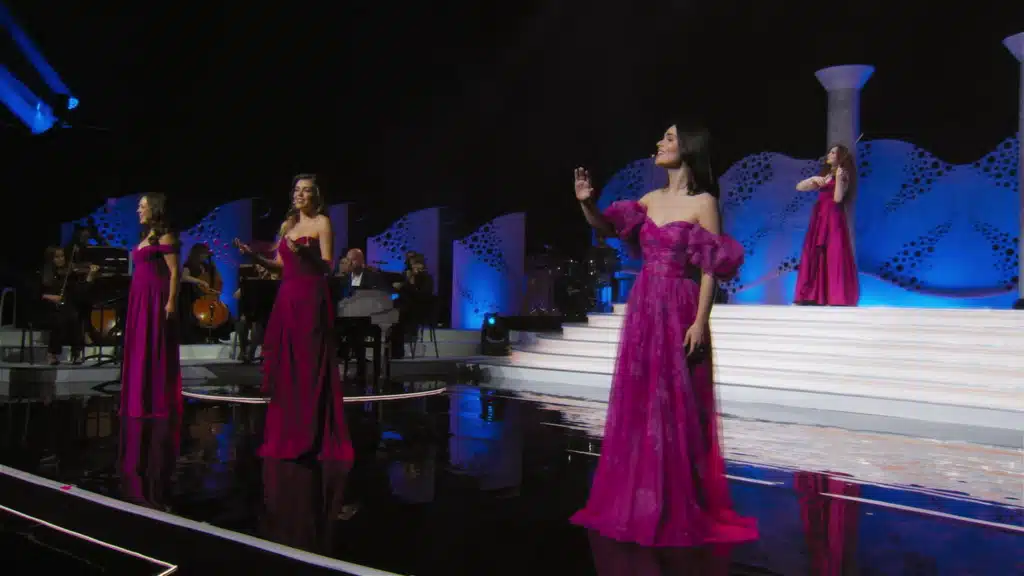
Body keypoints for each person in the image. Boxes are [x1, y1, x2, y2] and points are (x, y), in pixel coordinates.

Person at [570, 122, 758, 547]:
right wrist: (587, 204)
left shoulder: (704, 202)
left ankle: (676, 503)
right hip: (645, 305)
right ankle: (640, 500)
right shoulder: (650, 199)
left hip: (680, 306)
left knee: (677, 403)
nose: (659, 142)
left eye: (669, 138)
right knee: (642, 399)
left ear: (688, 147)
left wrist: (700, 321)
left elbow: (710, 267)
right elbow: (607, 228)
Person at [234, 173, 353, 462]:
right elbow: (278, 266)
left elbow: (327, 266)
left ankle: (313, 434)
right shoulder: (288, 226)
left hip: (311, 296)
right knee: (288, 364)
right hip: (287, 296)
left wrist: (306, 254)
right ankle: (291, 431)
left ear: (315, 196)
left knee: (309, 361)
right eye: (297, 190)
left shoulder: (322, 223)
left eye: (306, 190)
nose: (300, 194)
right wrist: (253, 256)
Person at [121, 193, 182, 419]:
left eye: (142, 206)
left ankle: (155, 400)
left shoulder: (165, 236)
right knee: (139, 345)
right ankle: (138, 399)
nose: (138, 210)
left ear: (154, 209)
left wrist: (171, 301)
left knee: (154, 343)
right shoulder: (146, 236)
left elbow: (174, 272)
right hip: (139, 298)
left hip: (155, 297)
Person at [794, 144, 860, 306]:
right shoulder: (825, 176)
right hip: (820, 216)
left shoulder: (843, 174)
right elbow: (799, 187)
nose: (829, 154)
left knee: (834, 252)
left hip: (834, 218)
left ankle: (836, 295)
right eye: (830, 152)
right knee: (816, 252)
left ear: (840, 157)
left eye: (833, 153)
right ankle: (815, 295)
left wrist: (839, 179)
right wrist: (812, 179)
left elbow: (837, 198)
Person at [39, 245, 98, 365]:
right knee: (64, 317)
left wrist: (90, 276)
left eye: (62, 256)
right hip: (46, 309)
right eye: (57, 257)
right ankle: (53, 353)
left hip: (65, 308)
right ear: (50, 259)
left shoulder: (69, 275)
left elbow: (79, 291)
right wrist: (52, 297)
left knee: (73, 315)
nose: (61, 259)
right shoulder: (43, 275)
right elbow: (36, 295)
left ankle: (75, 353)